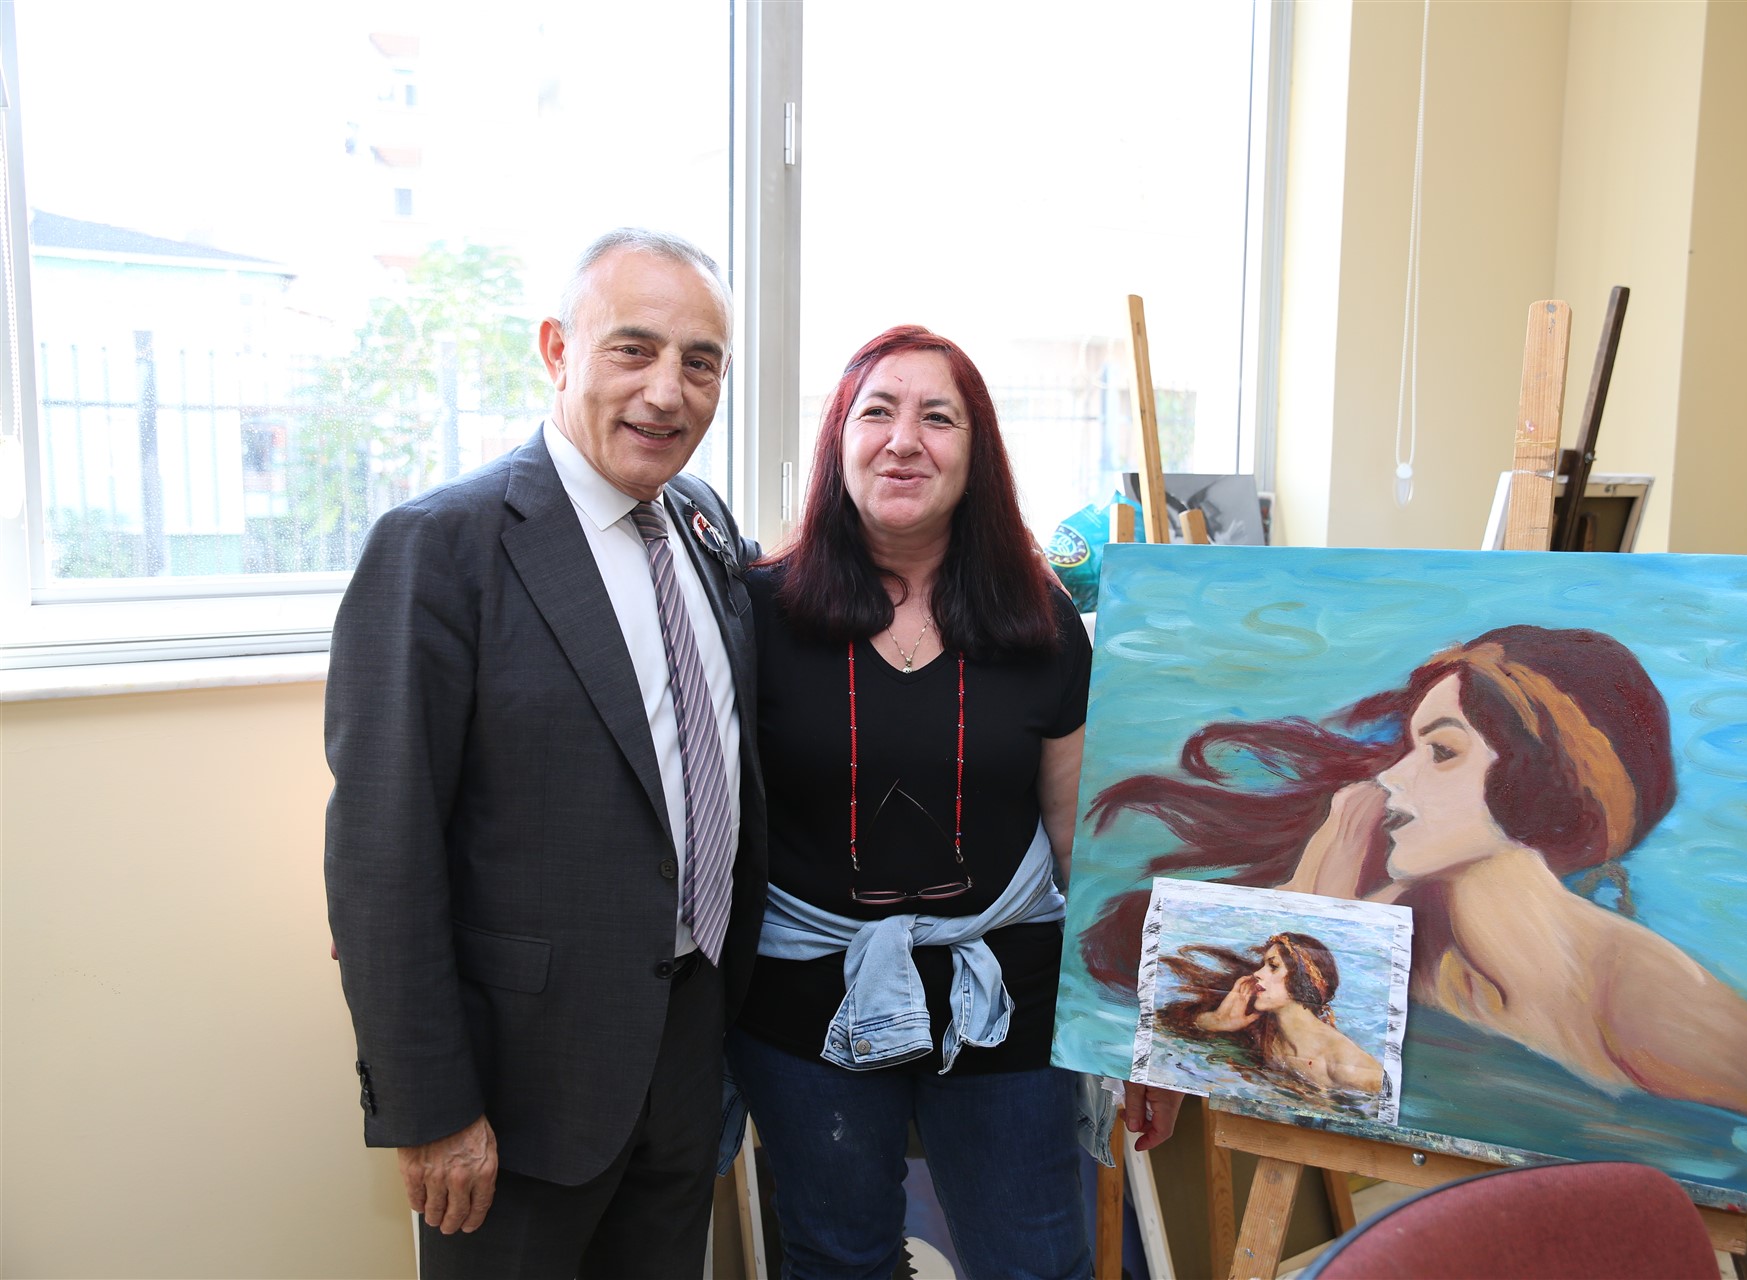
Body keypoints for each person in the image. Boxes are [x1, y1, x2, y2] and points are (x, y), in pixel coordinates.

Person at [324, 228, 767, 1278]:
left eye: (700, 362)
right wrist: (431, 1107)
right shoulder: (442, 546)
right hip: (517, 1092)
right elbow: (383, 854)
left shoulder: (702, 521)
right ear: (558, 350)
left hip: (686, 1058)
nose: (667, 391)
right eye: (634, 349)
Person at [725, 324, 1182, 1280]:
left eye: (938, 418)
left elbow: (1083, 851)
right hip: (807, 1015)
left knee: (1036, 1265)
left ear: (977, 455)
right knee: (838, 1264)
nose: (904, 441)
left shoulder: (1041, 620)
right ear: (838, 441)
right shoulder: (757, 613)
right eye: (877, 413)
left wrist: (1144, 1036)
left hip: (1004, 1009)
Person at [1083, 625, 1747, 1128]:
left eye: (1441, 751)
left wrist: (1325, 907)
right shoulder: (1413, 932)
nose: (1394, 779)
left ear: (1541, 780)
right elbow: (1206, 993)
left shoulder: (1636, 994)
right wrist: (1321, 898)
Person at [1165, 932, 1385, 1096]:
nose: (1257, 974)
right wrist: (1217, 1021)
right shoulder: (1265, 1033)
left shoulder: (1349, 1066)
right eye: (1263, 965)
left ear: (1303, 979)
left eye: (1273, 966)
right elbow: (1169, 1025)